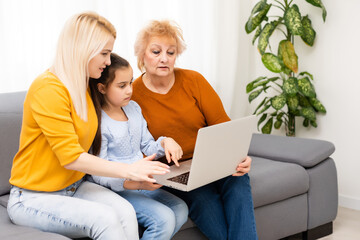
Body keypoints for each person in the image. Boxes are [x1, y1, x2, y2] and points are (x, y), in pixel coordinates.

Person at [7, 12, 171, 240]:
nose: (107, 61)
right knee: (106, 220)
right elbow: (71, 157)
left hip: (75, 186)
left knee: (125, 212)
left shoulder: (85, 87)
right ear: (81, 49)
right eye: (104, 53)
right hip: (33, 196)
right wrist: (129, 170)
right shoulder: (48, 89)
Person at [132, 20, 258, 240]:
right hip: (173, 171)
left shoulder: (194, 80)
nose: (164, 58)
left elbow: (223, 126)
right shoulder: (132, 94)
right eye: (156, 51)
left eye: (171, 52)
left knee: (238, 180)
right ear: (142, 55)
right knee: (202, 198)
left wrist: (240, 157)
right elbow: (137, 146)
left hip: (211, 161)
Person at [88, 52, 188, 240]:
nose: (129, 90)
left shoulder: (133, 108)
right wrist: (136, 183)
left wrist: (166, 141)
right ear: (102, 88)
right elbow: (99, 172)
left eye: (131, 83)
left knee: (181, 208)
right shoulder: (98, 122)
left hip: (142, 181)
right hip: (118, 188)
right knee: (163, 219)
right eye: (122, 86)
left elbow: (147, 145)